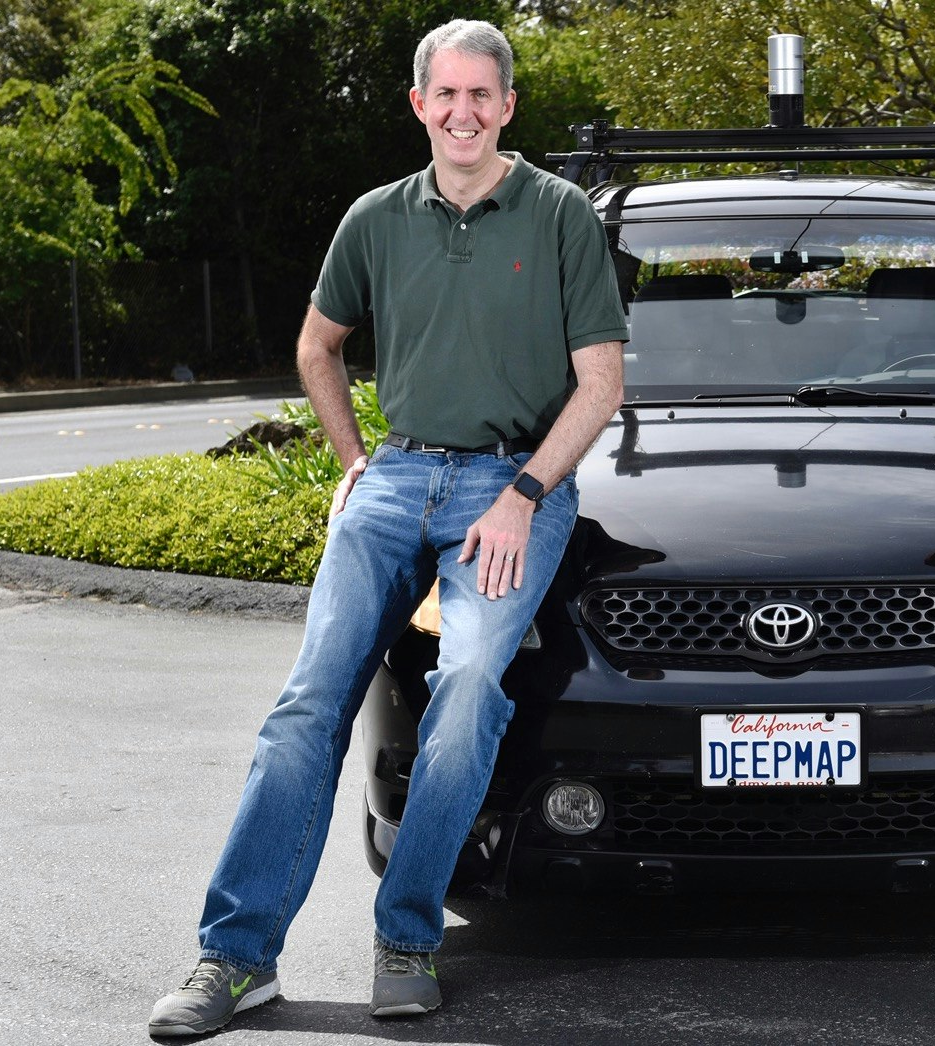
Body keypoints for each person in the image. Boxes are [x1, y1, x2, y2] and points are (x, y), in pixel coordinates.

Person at [148, 19, 627, 1036]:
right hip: (397, 473)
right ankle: (237, 955)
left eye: (480, 94)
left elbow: (600, 384)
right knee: (306, 705)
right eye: (444, 94)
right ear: (419, 105)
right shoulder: (375, 218)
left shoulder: (558, 215)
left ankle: (407, 933)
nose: (463, 112)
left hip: (511, 484)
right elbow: (317, 346)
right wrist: (354, 461)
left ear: (507, 105)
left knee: (467, 688)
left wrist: (523, 494)